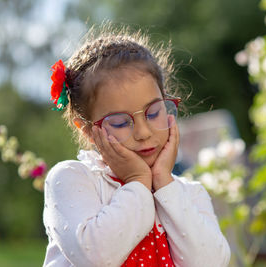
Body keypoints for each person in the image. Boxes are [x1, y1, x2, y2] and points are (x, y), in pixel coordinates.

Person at [43, 25, 231, 267]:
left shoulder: (188, 193)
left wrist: (163, 182)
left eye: (153, 113)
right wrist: (138, 181)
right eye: (121, 122)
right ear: (88, 130)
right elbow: (95, 256)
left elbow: (211, 262)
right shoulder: (73, 179)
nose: (143, 132)